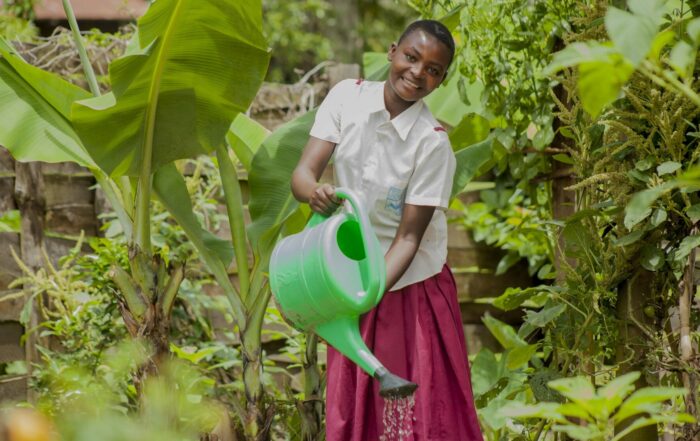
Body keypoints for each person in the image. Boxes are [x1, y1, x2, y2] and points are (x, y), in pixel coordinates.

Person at [290, 19, 483, 441]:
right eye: (411, 58)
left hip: (412, 288)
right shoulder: (347, 98)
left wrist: (366, 296)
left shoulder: (432, 144)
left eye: (432, 69)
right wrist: (315, 193)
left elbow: (409, 239)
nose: (417, 73)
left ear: (441, 80)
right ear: (393, 51)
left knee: (425, 414)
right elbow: (303, 173)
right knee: (355, 410)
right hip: (349, 277)